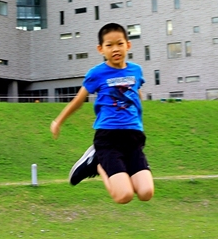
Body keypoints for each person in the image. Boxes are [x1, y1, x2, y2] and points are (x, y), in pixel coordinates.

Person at [50, 23, 154, 204]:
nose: (115, 49)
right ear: (101, 49)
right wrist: (58, 121)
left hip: (133, 138)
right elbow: (79, 99)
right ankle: (98, 164)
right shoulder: (97, 73)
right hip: (109, 138)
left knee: (146, 193)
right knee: (124, 196)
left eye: (120, 44)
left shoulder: (136, 70)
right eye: (109, 45)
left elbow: (136, 94)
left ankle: (113, 167)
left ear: (128, 45)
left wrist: (137, 120)